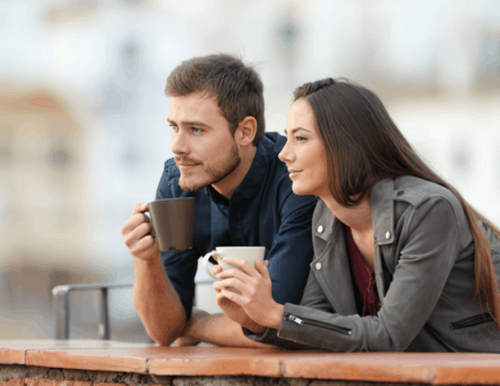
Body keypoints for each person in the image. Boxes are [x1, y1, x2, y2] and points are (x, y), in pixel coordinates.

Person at [213, 78, 500, 352]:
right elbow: (315, 325)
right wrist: (252, 316)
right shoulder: (326, 219)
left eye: (300, 138)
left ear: (344, 145)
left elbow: (389, 335)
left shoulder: (427, 211)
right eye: (287, 138)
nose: (284, 154)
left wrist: (276, 314)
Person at [120, 54, 316, 347]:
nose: (177, 147)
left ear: (245, 131)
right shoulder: (179, 180)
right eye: (174, 127)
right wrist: (146, 260)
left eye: (196, 130)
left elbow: (277, 322)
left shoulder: (295, 179)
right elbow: (163, 332)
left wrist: (197, 325)